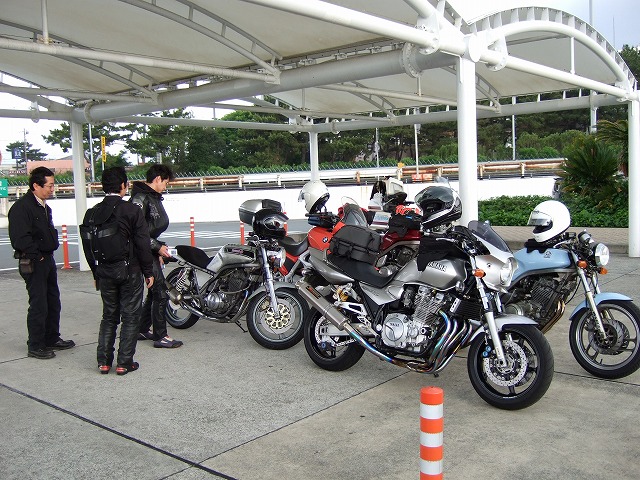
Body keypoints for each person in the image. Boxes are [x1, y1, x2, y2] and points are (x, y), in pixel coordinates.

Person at [81, 167, 155, 375]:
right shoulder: (131, 210)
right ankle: (124, 362)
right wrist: (148, 271)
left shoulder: (92, 212)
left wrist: (95, 272)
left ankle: (103, 361)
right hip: (130, 270)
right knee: (130, 316)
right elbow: (142, 243)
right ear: (124, 185)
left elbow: (88, 244)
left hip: (105, 270)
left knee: (109, 316)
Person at [8, 166, 75, 359]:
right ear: (36, 185)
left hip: (47, 259)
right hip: (34, 261)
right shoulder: (22, 208)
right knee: (39, 304)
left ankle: (51, 337)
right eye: (49, 185)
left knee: (53, 300)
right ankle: (35, 345)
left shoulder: (44, 206)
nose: (52, 189)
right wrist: (38, 256)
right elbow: (20, 238)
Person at [130, 164, 183, 348]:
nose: (166, 186)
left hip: (148, 248)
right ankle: (160, 336)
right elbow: (137, 232)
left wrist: (157, 248)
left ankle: (142, 328)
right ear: (158, 179)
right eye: (166, 182)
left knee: (155, 292)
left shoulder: (151, 197)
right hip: (141, 250)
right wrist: (157, 247)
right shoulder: (141, 198)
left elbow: (146, 231)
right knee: (160, 292)